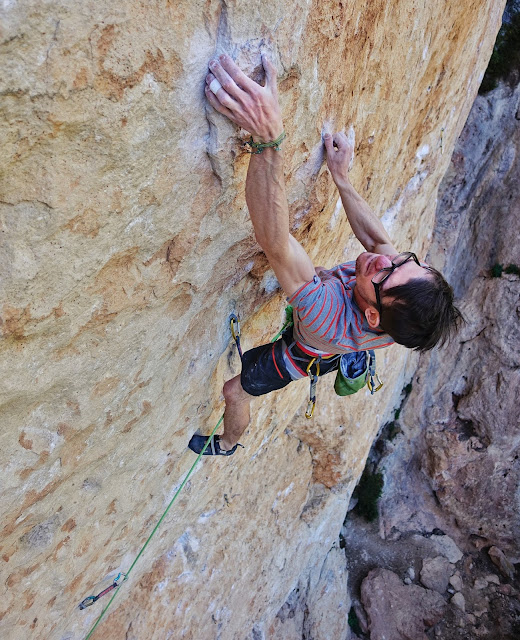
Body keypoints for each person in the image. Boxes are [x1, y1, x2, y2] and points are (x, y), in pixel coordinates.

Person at [188, 53, 462, 456]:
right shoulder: (396, 292)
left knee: (235, 391)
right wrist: (340, 175)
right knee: (362, 270)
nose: (385, 260)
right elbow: (376, 241)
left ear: (373, 317)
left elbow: (275, 241)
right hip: (344, 322)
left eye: (386, 275)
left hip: (307, 350)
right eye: (406, 261)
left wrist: (268, 138)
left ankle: (228, 443)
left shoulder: (326, 317)